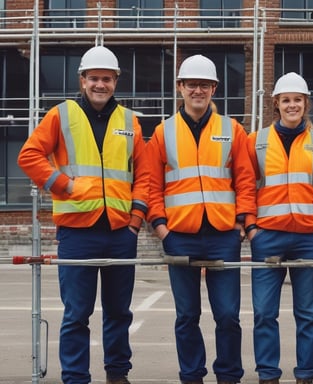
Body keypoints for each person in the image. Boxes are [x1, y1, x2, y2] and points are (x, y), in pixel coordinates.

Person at [17, 45, 149, 384]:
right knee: (77, 313)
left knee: (119, 312)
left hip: (121, 232)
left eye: (106, 78)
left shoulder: (130, 121)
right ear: (82, 80)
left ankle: (117, 373)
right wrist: (65, 186)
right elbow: (29, 156)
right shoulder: (60, 115)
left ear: (116, 81)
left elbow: (145, 175)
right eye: (94, 78)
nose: (100, 84)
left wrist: (135, 221)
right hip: (77, 232)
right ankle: (76, 377)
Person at [146, 54, 256, 384]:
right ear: (180, 87)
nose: (198, 90)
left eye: (204, 85)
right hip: (180, 234)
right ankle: (192, 376)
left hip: (223, 234)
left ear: (214, 89)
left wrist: (240, 224)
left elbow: (246, 179)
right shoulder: (163, 132)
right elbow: (153, 184)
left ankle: (228, 376)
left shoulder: (231, 129)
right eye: (192, 84)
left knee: (227, 316)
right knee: (187, 315)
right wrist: (160, 227)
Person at [246, 72, 313, 384]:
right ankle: (268, 375)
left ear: (306, 103)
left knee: (309, 315)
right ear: (276, 104)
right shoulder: (255, 143)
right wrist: (251, 227)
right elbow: (246, 186)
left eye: (297, 99)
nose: (292, 105)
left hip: (311, 238)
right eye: (286, 100)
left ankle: (305, 375)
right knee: (264, 314)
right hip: (267, 237)